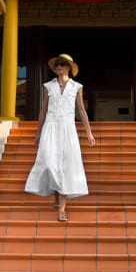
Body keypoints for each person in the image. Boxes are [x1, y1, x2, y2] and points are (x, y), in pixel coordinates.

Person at [24, 53, 95, 221]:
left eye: (62, 64)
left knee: (66, 168)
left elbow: (81, 110)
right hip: (50, 126)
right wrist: (38, 132)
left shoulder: (77, 86)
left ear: (69, 67)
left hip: (68, 128)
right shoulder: (48, 86)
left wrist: (89, 133)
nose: (58, 66)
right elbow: (43, 110)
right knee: (48, 163)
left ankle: (61, 210)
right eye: (57, 64)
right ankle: (56, 195)